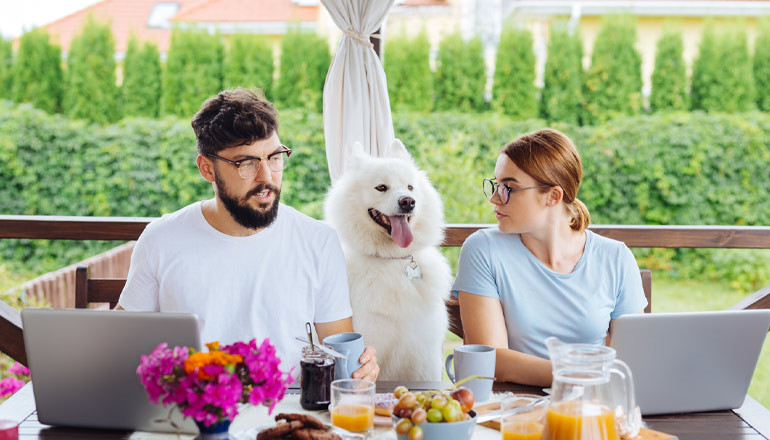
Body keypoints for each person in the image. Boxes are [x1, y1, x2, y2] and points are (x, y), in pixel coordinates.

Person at [117, 88, 379, 381]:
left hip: (288, 412)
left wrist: (362, 369)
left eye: (275, 158)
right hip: (195, 414)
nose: (266, 177)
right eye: (247, 163)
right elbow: (120, 345)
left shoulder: (319, 241)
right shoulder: (160, 240)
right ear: (207, 169)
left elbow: (341, 358)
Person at [452, 128, 647, 387]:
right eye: (495, 185)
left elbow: (636, 358)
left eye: (508, 188)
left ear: (553, 196)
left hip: (593, 408)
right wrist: (578, 375)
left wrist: (582, 380)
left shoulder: (616, 258)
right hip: (514, 408)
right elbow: (492, 360)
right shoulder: (483, 249)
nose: (494, 198)